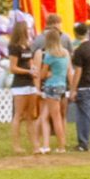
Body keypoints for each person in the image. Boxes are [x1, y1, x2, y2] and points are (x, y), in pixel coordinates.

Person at [6, 20, 39, 155]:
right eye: (28, 28)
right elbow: (12, 68)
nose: (30, 30)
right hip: (20, 84)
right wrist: (27, 72)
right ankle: (16, 145)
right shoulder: (14, 47)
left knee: (30, 116)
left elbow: (30, 61)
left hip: (30, 83)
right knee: (18, 115)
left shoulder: (27, 46)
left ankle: (36, 145)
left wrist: (34, 68)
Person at [37, 26, 71, 154]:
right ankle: (60, 144)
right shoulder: (65, 53)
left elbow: (42, 75)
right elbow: (67, 71)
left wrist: (46, 72)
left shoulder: (49, 55)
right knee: (59, 117)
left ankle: (61, 146)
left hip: (51, 86)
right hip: (62, 85)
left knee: (55, 117)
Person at [67, 22, 90, 152]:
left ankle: (84, 143)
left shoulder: (79, 50)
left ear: (76, 34)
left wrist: (73, 89)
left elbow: (78, 71)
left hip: (84, 86)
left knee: (83, 116)